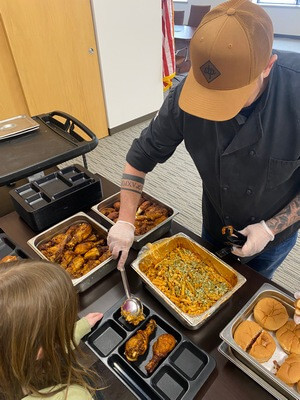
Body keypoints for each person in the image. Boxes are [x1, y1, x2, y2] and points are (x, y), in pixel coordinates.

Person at [107, 0, 299, 283]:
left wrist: (269, 229)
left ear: (267, 66)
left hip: (273, 236)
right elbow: (140, 158)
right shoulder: (185, 95)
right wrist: (125, 220)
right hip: (216, 219)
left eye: (229, 95)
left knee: (252, 289)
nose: (215, 108)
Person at [0, 260, 103, 400]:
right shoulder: (74, 396)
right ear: (38, 350)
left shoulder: (11, 353)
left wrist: (79, 328)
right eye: (62, 328)